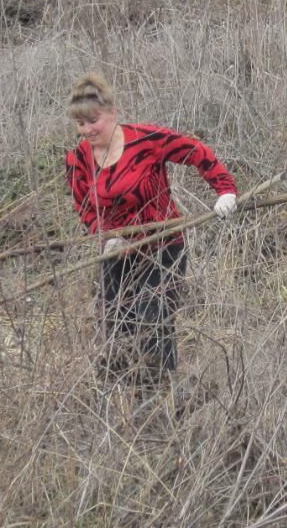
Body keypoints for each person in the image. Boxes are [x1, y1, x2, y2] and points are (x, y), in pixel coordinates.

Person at [65, 74, 238, 386]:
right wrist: (106, 235)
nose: (88, 130)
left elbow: (196, 151)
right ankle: (125, 405)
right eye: (80, 123)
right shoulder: (77, 159)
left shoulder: (146, 140)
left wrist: (225, 191)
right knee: (118, 328)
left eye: (94, 120)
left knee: (154, 322)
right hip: (117, 254)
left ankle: (160, 401)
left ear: (112, 112)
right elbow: (84, 206)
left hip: (163, 247)